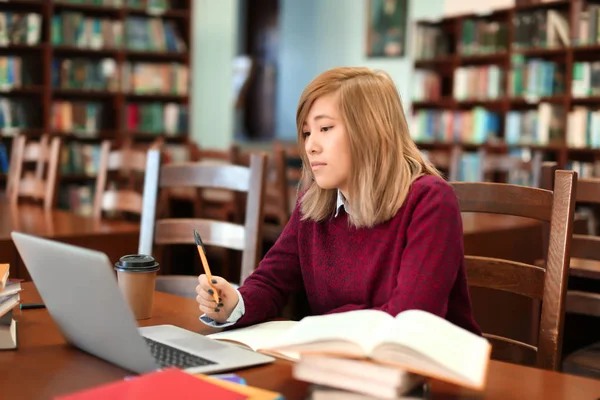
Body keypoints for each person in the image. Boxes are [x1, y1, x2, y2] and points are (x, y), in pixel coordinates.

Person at [196, 66, 481, 335]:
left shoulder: (430, 201)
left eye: (325, 129)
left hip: (430, 375)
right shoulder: (313, 205)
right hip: (344, 363)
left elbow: (409, 319)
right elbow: (271, 281)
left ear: (371, 130)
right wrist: (234, 303)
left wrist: (314, 326)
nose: (310, 145)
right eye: (307, 132)